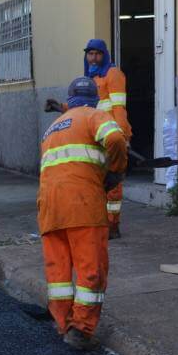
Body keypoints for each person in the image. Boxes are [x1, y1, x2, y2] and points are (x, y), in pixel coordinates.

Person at [39, 77, 128, 351]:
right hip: (83, 206)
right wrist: (116, 170)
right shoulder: (94, 116)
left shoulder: (53, 127)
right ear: (93, 100)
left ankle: (63, 324)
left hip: (50, 208)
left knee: (59, 274)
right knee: (91, 271)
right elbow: (114, 137)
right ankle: (81, 329)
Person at [45, 39, 131, 239]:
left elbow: (119, 108)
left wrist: (122, 136)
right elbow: (84, 106)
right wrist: (62, 107)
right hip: (94, 135)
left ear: (104, 55)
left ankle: (112, 226)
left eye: (97, 54)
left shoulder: (113, 74)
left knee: (113, 183)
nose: (93, 58)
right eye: (89, 54)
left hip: (110, 134)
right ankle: (97, 221)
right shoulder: (90, 78)